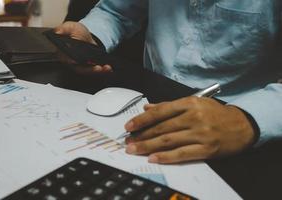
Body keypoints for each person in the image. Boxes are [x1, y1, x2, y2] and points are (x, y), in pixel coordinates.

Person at [55, 1, 282, 164]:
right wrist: (92, 36)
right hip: (145, 101)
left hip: (235, 123)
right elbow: (117, 11)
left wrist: (246, 120)